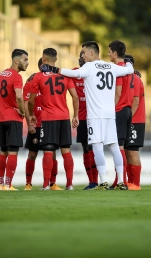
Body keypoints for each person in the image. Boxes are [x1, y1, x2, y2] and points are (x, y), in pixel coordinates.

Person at [40, 41, 134, 190]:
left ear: (92, 53)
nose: (82, 56)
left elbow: (73, 73)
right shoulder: (111, 66)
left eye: (84, 52)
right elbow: (129, 70)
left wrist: (53, 69)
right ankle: (121, 181)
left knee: (97, 147)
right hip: (110, 114)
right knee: (115, 147)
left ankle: (103, 181)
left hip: (95, 116)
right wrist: (128, 62)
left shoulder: (89, 67)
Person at [28, 48, 79, 190]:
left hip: (48, 118)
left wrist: (32, 115)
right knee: (66, 151)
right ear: (56, 60)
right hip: (64, 117)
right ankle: (69, 184)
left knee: (48, 151)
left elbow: (31, 100)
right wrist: (75, 115)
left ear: (43, 58)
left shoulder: (38, 77)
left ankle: (46, 184)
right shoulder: (65, 76)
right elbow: (75, 97)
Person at [0, 49, 28, 191]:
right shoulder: (16, 76)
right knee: (12, 152)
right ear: (16, 61)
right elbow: (19, 96)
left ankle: (0, 184)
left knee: (3, 151)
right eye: (25, 60)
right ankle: (8, 184)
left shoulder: (1, 74)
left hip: (1, 119)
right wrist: (22, 111)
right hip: (13, 119)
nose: (27, 63)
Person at [23, 58, 61, 190]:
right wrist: (29, 123)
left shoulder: (56, 79)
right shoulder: (32, 81)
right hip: (37, 123)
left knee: (52, 153)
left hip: (50, 122)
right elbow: (26, 104)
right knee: (32, 153)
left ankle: (52, 183)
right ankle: (28, 183)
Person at [108, 40, 134, 189]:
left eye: (109, 51)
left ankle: (121, 181)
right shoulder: (128, 67)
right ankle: (119, 180)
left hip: (120, 109)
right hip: (127, 110)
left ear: (115, 53)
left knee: (119, 148)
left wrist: (112, 110)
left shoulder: (118, 69)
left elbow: (117, 94)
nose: (108, 54)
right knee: (120, 147)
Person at [71, 51, 98, 190]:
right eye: (80, 57)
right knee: (86, 148)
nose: (81, 59)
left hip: (95, 116)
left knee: (95, 148)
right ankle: (92, 182)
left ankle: (98, 181)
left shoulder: (96, 72)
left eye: (83, 56)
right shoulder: (75, 73)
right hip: (82, 117)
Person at [124, 55, 145, 191]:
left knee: (133, 151)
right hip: (129, 119)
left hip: (135, 120)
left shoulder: (135, 79)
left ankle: (135, 183)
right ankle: (129, 181)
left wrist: (128, 118)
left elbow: (136, 101)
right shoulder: (128, 79)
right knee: (126, 151)